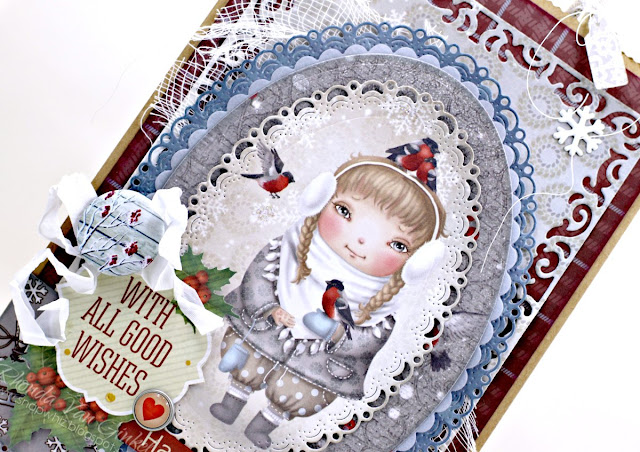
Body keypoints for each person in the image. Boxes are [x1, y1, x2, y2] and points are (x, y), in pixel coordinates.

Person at [210, 155, 447, 449]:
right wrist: (269, 308)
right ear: (320, 200)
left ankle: (265, 423)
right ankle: (232, 401)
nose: (360, 240)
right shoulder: (288, 249)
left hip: (318, 365)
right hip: (264, 332)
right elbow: (257, 279)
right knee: (248, 356)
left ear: (416, 263)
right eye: (345, 211)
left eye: (397, 244)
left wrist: (336, 334)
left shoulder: (382, 306)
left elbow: (369, 342)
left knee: (299, 388)